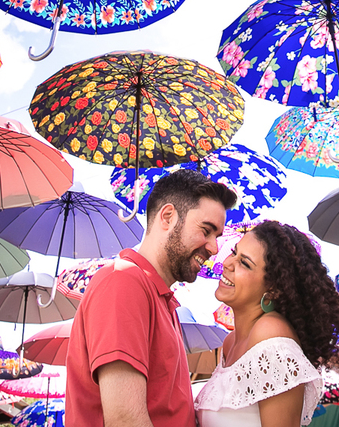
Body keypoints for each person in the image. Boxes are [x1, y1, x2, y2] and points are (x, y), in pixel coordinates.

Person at [67, 167, 237, 427]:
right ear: (167, 217)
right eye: (206, 230)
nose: (214, 248)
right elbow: (125, 419)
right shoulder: (123, 281)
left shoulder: (159, 298)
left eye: (217, 236)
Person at [195, 220, 339, 427]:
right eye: (234, 252)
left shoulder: (271, 335)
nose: (227, 263)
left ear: (275, 290)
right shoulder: (230, 343)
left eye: (245, 263)